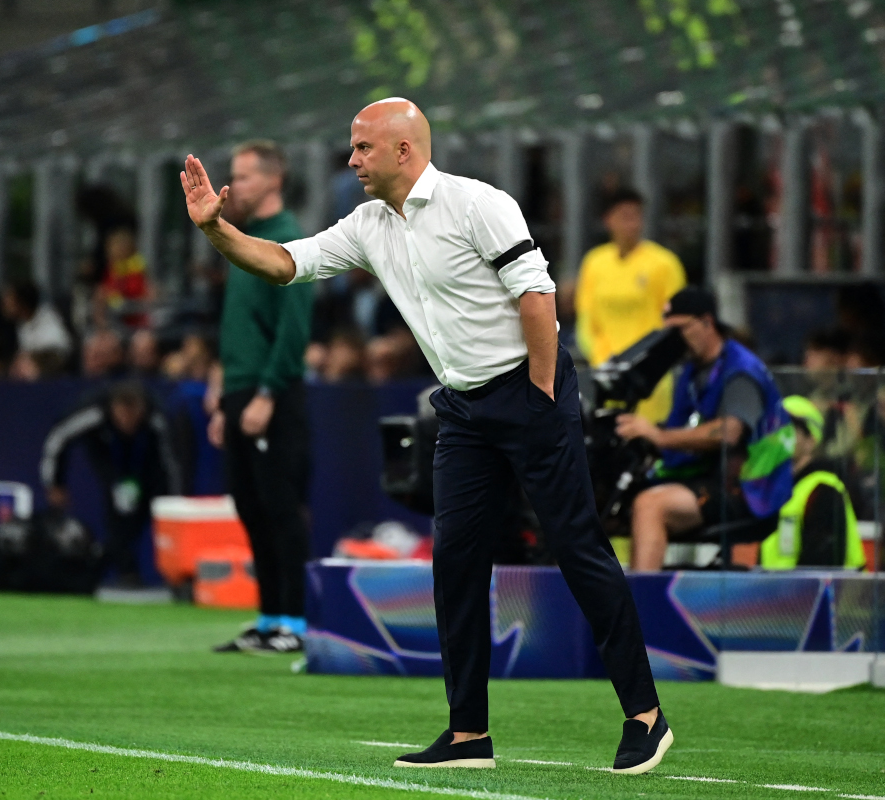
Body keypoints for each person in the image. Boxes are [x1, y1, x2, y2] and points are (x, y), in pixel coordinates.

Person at [180, 99, 668, 774]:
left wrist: (543, 395)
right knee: (456, 562)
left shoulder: (478, 203)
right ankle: (469, 735)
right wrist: (216, 230)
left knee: (577, 545)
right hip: (463, 410)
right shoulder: (368, 224)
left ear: (403, 151)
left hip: (531, 391)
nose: (350, 161)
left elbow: (537, 296)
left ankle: (645, 715)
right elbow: (285, 263)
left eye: (361, 149)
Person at [202, 140, 314, 655]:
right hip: (239, 392)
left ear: (273, 180)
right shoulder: (240, 240)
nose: (234, 186)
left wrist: (266, 394)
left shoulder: (288, 240)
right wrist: (222, 394)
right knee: (249, 506)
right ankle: (269, 618)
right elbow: (236, 328)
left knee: (280, 508)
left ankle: (295, 620)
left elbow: (293, 331)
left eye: (243, 177)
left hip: (273, 394)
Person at [618, 287, 794, 572]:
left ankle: (641, 606)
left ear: (707, 323)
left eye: (681, 330)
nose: (675, 342)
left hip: (746, 489)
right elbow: (684, 425)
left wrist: (659, 435)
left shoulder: (741, 371)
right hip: (705, 477)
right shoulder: (690, 370)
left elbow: (729, 432)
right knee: (619, 503)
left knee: (651, 505)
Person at [40, 381, 182, 587]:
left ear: (142, 408)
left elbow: (171, 460)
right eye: (122, 415)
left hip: (148, 465)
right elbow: (58, 439)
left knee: (153, 512)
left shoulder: (157, 418)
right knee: (118, 515)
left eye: (134, 415)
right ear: (113, 408)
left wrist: (174, 498)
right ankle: (125, 571)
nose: (128, 422)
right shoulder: (92, 412)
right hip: (109, 458)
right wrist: (54, 483)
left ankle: (173, 574)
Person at [575, 189, 685, 422]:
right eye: (625, 216)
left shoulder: (663, 264)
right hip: (605, 373)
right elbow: (586, 319)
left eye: (637, 216)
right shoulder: (595, 263)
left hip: (649, 378)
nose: (633, 224)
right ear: (608, 220)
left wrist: (650, 363)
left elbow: (675, 323)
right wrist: (599, 357)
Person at [760, 396, 866, 570]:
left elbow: (821, 568)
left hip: (829, 597)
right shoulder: (776, 492)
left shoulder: (822, 490)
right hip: (778, 594)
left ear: (811, 441)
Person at [2, 279, 73, 367]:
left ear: (21, 301)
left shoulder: (47, 317)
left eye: (8, 299)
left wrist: (33, 357)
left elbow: (60, 349)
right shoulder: (20, 324)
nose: (4, 304)